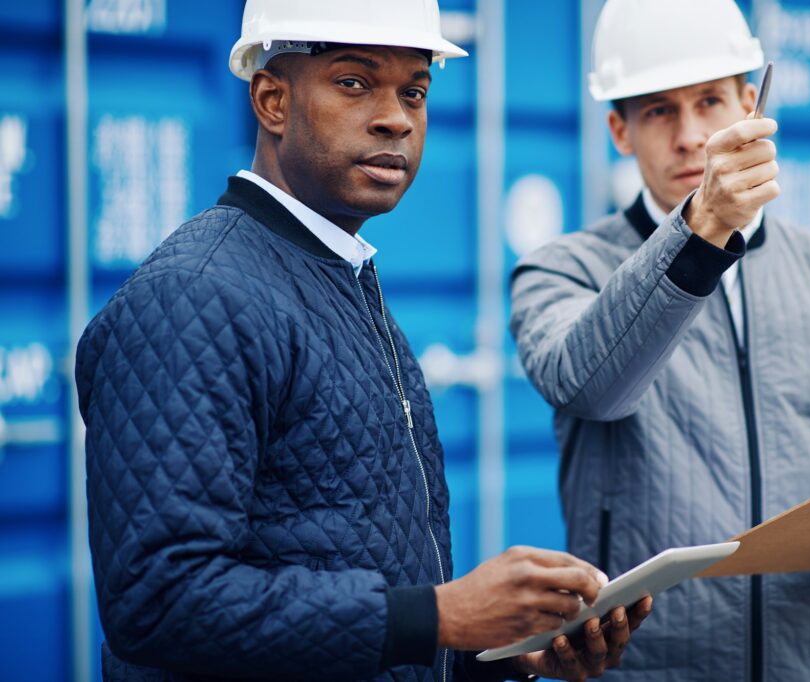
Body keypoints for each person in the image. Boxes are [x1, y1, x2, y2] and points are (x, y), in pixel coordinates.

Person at [75, 2, 651, 680]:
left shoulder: (337, 278)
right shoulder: (194, 297)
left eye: (415, 90)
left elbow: (353, 573)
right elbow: (158, 603)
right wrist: (440, 616)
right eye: (354, 82)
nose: (396, 117)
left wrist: (494, 654)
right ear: (271, 100)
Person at [508, 0, 810, 679]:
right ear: (619, 130)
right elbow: (590, 388)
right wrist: (700, 232)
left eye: (710, 101)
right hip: (650, 668)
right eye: (658, 111)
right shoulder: (563, 268)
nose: (690, 136)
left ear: (750, 104)